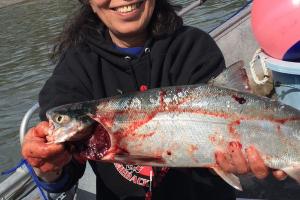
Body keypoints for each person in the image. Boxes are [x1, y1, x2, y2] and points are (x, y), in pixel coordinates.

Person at [21, 0, 287, 199]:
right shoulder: (75, 68)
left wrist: (241, 163)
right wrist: (48, 168)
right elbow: (61, 177)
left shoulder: (194, 46)